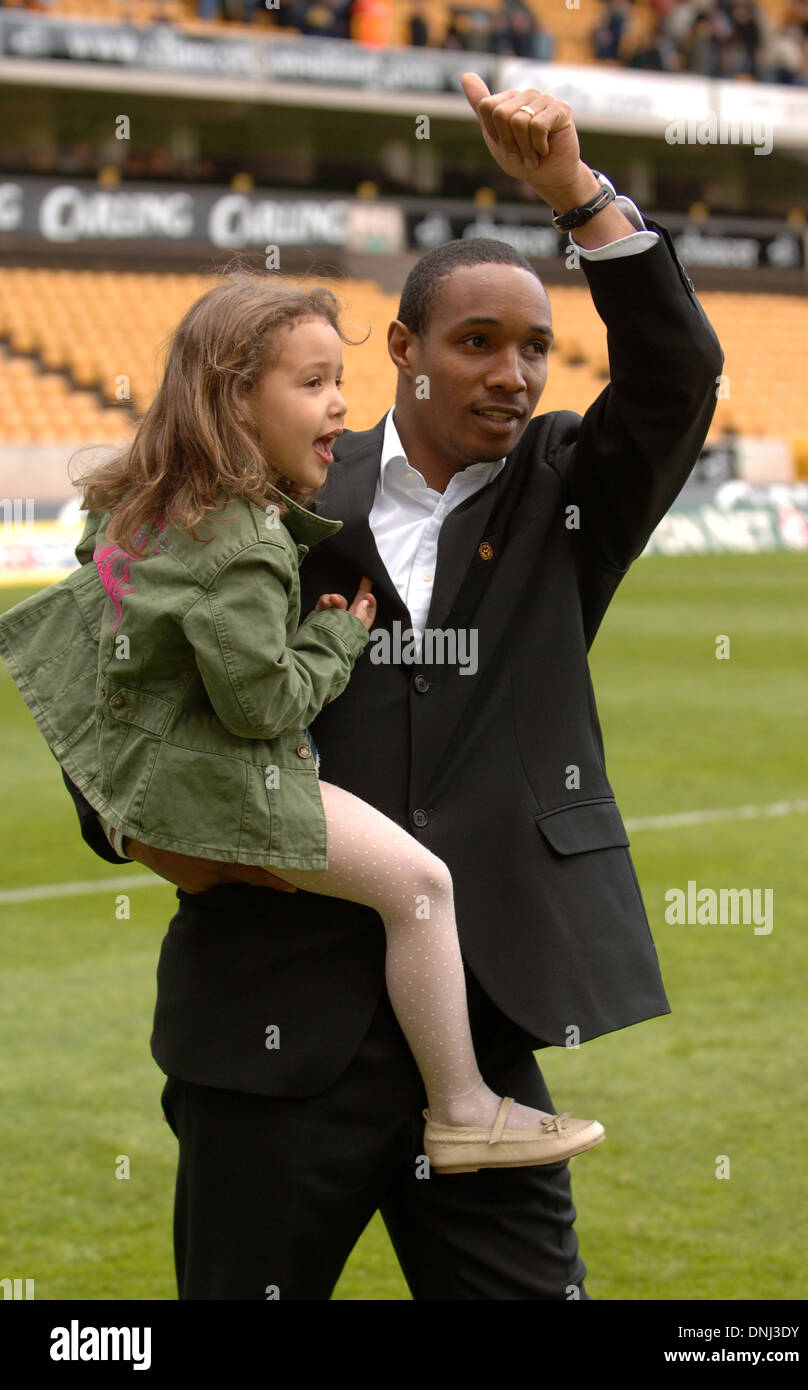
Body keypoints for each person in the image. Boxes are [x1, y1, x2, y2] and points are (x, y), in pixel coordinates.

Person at [6, 73, 723, 1299]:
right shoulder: (262, 483)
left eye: (537, 350)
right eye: (480, 343)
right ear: (403, 349)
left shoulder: (570, 494)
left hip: (478, 1038)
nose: (513, 374)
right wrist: (144, 834)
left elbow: (675, 377)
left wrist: (575, 194)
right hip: (269, 1031)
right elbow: (121, 671)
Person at [0, 276, 605, 1176]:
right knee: (422, 888)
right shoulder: (246, 539)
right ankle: (465, 1110)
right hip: (225, 793)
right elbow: (263, 706)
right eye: (314, 383)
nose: (339, 404)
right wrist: (335, 635)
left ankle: (462, 1106)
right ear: (236, 398)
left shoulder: (151, 506)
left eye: (339, 382)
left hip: (160, 776)